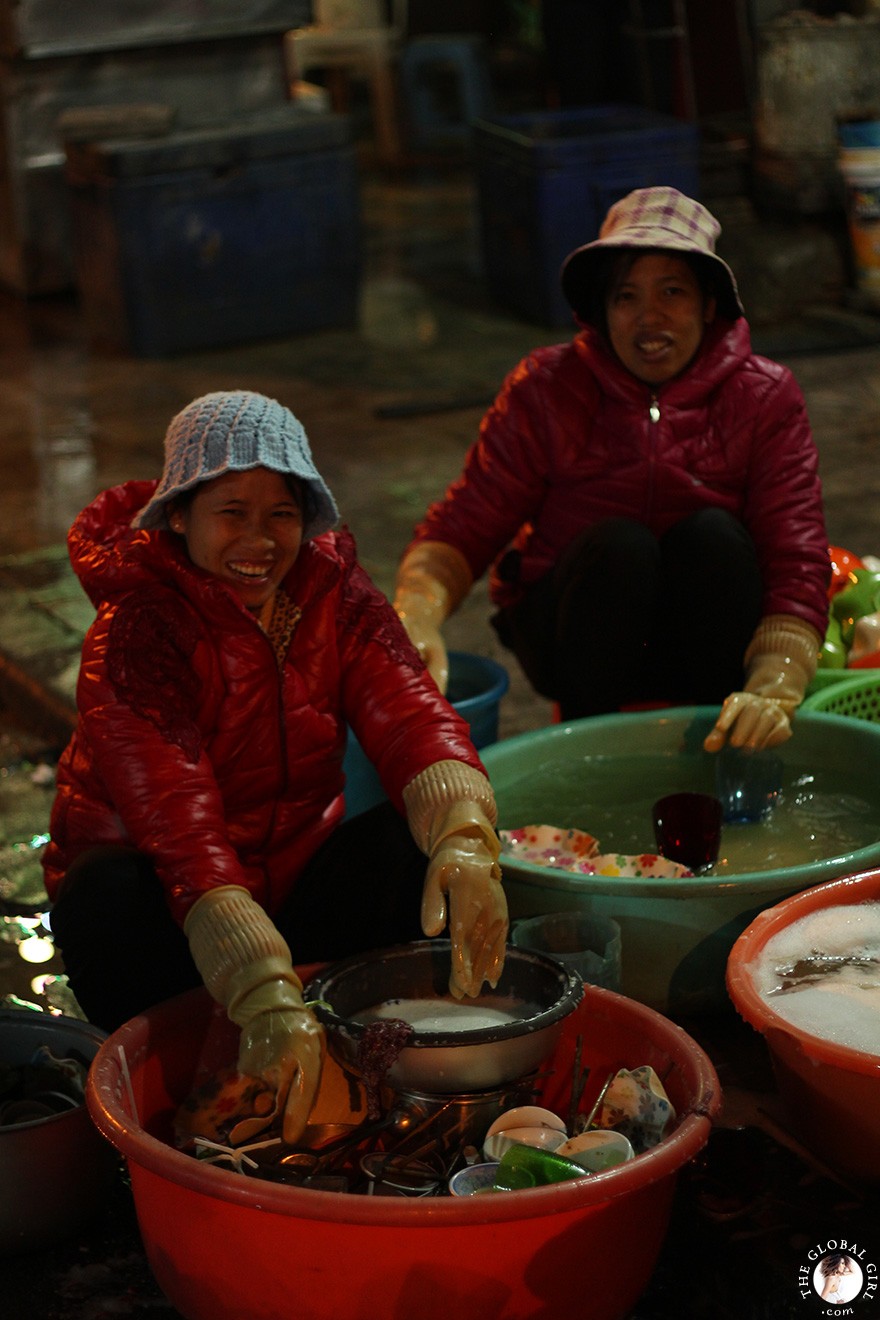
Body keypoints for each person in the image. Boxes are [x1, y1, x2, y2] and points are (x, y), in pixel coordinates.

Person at [44, 390, 508, 1143]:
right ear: (180, 515)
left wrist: (463, 832)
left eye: (281, 513)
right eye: (232, 511)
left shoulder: (332, 594)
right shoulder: (135, 629)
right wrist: (263, 991)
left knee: (411, 846)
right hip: (172, 908)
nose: (258, 539)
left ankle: (375, 1053)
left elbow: (412, 712)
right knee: (102, 894)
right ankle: (185, 1071)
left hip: (289, 883)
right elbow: (177, 822)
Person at [393, 187, 830, 754]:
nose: (649, 317)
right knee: (619, 547)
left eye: (672, 291)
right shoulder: (546, 387)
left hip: (706, 646)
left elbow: (795, 549)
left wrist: (779, 679)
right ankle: (587, 746)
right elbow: (465, 522)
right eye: (627, 296)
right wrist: (416, 614)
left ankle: (724, 743)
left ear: (707, 304)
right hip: (579, 641)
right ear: (602, 311)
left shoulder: (765, 395)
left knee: (713, 537)